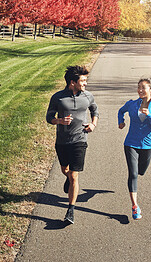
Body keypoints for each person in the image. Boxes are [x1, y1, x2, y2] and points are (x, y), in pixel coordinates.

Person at [46, 65, 99, 224]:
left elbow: (94, 110)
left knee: (75, 175)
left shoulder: (88, 96)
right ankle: (68, 179)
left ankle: (70, 210)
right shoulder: (58, 97)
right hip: (62, 141)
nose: (85, 83)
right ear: (72, 82)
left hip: (80, 140)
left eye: (85, 80)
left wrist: (93, 124)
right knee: (66, 170)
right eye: (82, 80)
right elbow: (49, 117)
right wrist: (59, 121)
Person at [118, 78, 151, 220]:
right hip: (130, 143)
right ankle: (134, 206)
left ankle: (135, 193)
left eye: (143, 87)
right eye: (138, 87)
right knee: (133, 174)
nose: (140, 90)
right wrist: (121, 121)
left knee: (141, 172)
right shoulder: (132, 104)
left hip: (148, 145)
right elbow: (121, 111)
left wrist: (149, 115)